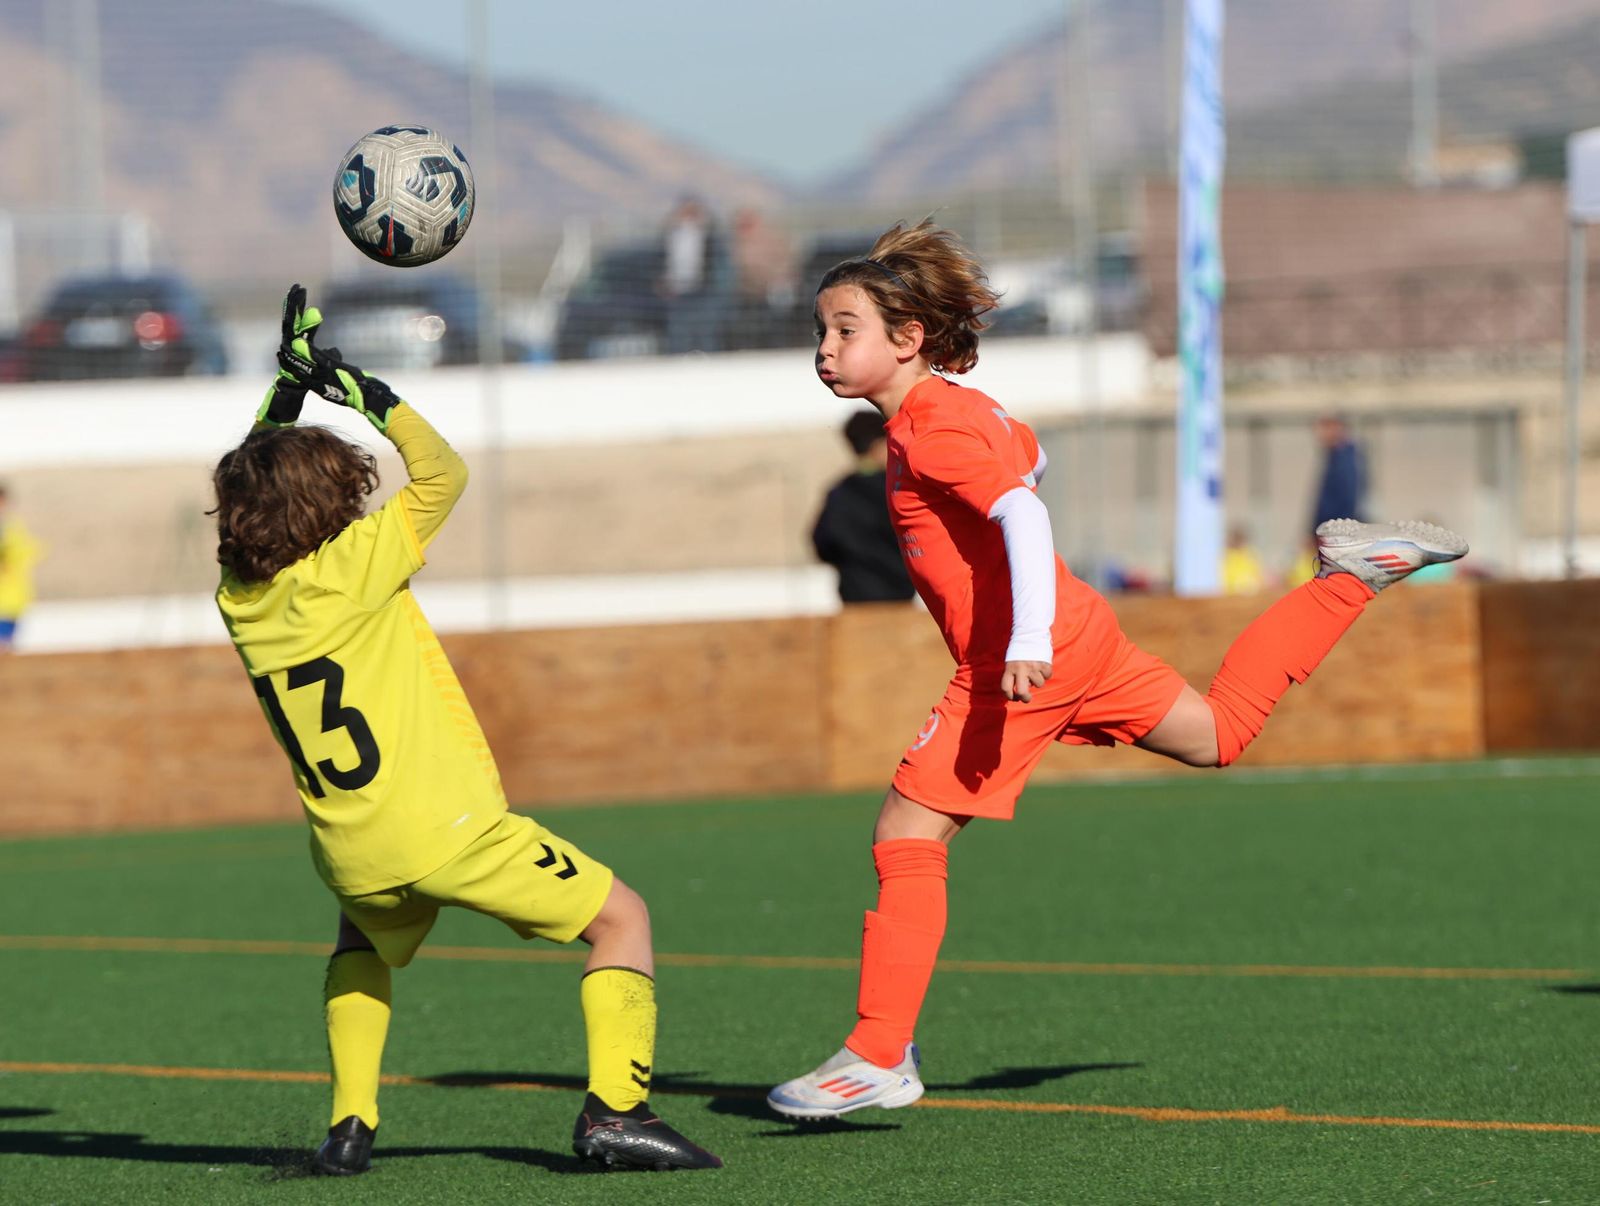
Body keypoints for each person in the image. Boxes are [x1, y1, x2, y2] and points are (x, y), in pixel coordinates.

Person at [767, 221, 1467, 1120]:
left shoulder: (932, 432)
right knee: (1218, 733)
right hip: (1080, 636)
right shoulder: (959, 411)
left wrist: (1025, 640)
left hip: (1025, 660)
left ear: (908, 339)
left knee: (906, 831)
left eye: (844, 329)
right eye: (821, 331)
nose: (825, 349)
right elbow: (1032, 458)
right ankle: (1351, 580)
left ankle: (876, 1055)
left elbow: (1022, 513)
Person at [212, 287, 721, 1174]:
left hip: (350, 853)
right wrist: (355, 388)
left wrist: (285, 391)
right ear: (327, 504)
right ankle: (616, 1114)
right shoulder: (355, 563)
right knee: (622, 919)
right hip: (448, 832)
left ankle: (349, 1128)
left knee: (360, 942)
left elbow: (251, 481)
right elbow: (443, 470)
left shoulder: (241, 600)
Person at [812, 411, 915, 604]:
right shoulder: (899, 489)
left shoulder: (839, 492)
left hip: (854, 596)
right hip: (900, 596)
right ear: (878, 445)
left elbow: (822, 543)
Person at [0, 483, 44, 652]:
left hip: (12, 599)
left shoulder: (13, 528)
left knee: (7, 645)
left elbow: (28, 551)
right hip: (7, 599)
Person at [1311, 413, 1367, 532]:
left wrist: (1332, 529)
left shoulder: (1345, 459)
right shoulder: (1336, 456)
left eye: (1325, 428)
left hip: (1336, 530)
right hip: (1331, 527)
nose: (1320, 434)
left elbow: (1347, 500)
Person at [1220, 523, 1268, 595]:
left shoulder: (1250, 554)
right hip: (1232, 595)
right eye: (1236, 539)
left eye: (1240, 539)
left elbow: (1259, 575)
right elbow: (1224, 580)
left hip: (1252, 594)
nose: (1239, 542)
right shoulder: (1226, 556)